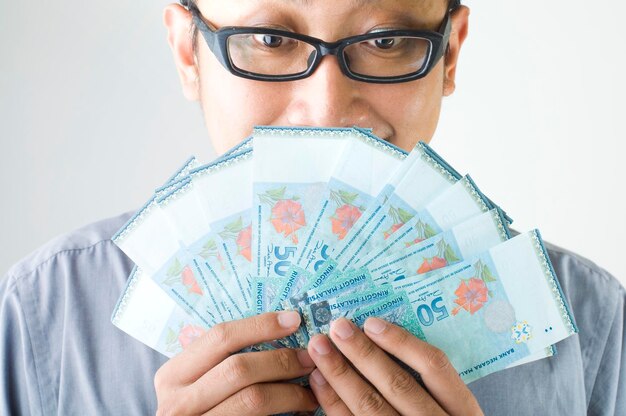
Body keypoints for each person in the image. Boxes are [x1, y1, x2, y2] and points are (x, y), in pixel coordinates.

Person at [1, 0, 624, 414]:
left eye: (386, 40)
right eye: (268, 39)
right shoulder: (41, 316)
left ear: (450, 54)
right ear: (189, 53)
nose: (326, 112)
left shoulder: (591, 323)